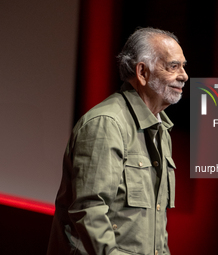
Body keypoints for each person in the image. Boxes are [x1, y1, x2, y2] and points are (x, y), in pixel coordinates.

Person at [47, 27, 188, 255]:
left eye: (183, 66)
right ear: (142, 72)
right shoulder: (106, 124)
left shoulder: (161, 129)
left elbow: (157, 228)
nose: (184, 75)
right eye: (173, 66)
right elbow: (89, 211)